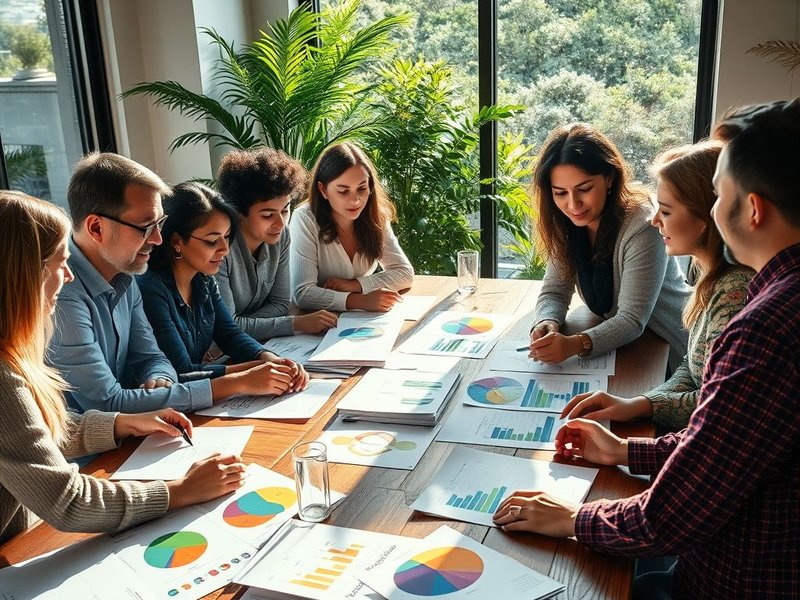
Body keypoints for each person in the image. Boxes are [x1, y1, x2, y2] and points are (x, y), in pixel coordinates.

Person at [493, 99, 800, 599]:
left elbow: (682, 506)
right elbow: (720, 442)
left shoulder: (762, 327)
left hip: (733, 579)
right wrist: (626, 447)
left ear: (753, 209)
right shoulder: (772, 300)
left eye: (718, 195)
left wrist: (574, 518)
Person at [0, 190, 245, 545]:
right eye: (58, 263)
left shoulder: (14, 354)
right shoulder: (5, 377)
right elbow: (66, 502)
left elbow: (29, 435)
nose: (68, 277)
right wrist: (180, 490)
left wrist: (120, 424)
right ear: (21, 275)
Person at [48, 152, 288, 413]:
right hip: (90, 449)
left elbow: (151, 357)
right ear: (96, 228)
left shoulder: (126, 273)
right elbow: (107, 402)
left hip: (141, 426)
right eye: (145, 227)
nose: (157, 239)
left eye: (159, 224)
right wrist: (234, 383)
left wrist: (160, 377)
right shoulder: (62, 294)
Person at [561, 141, 753, 430]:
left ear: (705, 217)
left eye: (665, 211)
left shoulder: (735, 293)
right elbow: (692, 368)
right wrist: (637, 404)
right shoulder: (712, 277)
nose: (654, 221)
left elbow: (715, 407)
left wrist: (626, 440)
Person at [527, 124, 690, 369]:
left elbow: (631, 320)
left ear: (610, 179)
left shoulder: (643, 224)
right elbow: (554, 291)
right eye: (560, 193)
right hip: (625, 347)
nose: (573, 204)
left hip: (671, 349)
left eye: (584, 189)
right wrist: (547, 322)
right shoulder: (566, 223)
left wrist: (574, 344)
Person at [137, 182, 308, 393]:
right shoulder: (150, 289)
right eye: (212, 241)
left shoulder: (203, 280)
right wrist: (251, 372)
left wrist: (269, 358)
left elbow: (229, 334)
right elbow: (180, 372)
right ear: (176, 241)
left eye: (227, 237)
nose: (225, 249)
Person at [216, 147, 337, 338]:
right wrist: (295, 323)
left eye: (285, 210)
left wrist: (246, 324)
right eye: (267, 215)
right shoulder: (219, 249)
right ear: (239, 212)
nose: (281, 223)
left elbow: (280, 304)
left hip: (255, 343)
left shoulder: (281, 237)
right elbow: (227, 328)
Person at [290, 142, 414, 311]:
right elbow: (303, 293)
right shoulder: (304, 219)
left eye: (362, 188)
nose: (355, 200)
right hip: (313, 321)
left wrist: (355, 285)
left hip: (358, 321)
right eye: (343, 191)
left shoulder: (375, 215)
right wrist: (360, 301)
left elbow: (404, 273)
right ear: (323, 189)